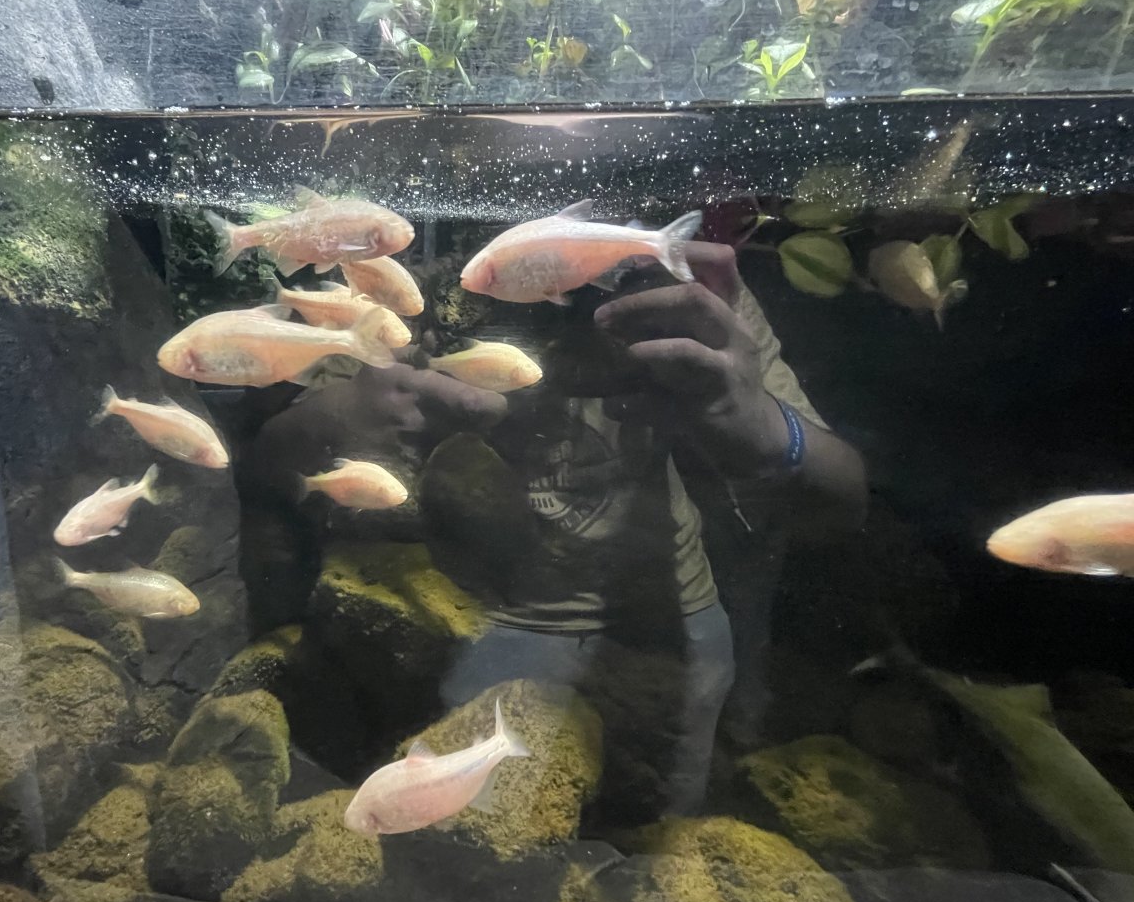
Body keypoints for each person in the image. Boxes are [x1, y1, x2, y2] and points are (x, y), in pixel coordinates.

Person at [234, 233, 867, 819]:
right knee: (453, 849)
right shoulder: (387, 274)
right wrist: (339, 416)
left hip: (663, 652)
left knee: (647, 845)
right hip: (451, 639)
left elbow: (845, 502)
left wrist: (761, 427)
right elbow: (260, 479)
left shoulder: (665, 277)